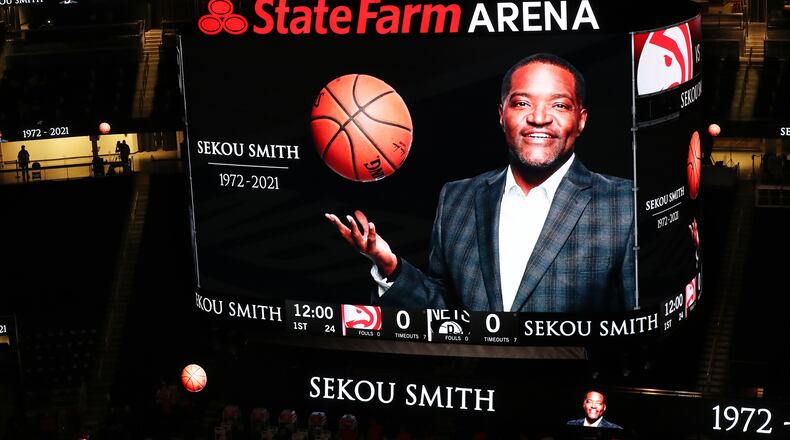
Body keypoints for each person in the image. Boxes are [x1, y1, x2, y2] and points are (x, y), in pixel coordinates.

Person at [326, 53, 635, 313]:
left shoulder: (623, 203)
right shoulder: (457, 198)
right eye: (522, 103)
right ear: (502, 115)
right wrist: (390, 266)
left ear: (580, 120)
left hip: (572, 385)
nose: (539, 118)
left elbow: (637, 320)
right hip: (475, 382)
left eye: (559, 105)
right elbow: (445, 313)